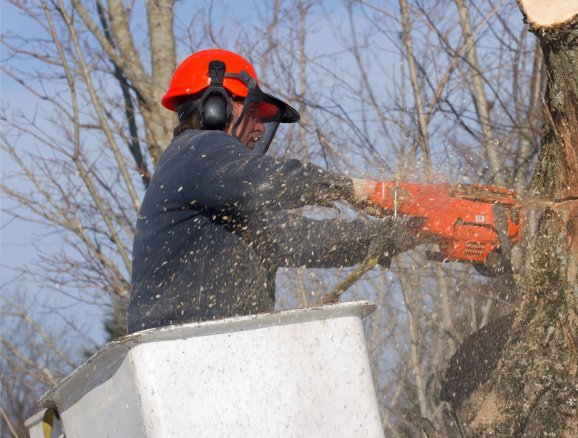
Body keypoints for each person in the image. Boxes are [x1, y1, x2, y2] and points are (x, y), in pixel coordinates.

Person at [127, 49, 416, 333]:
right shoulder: (198, 149)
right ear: (216, 107)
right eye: (253, 114)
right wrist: (354, 190)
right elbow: (267, 180)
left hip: (215, 345)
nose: (260, 129)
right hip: (186, 345)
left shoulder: (219, 191)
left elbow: (301, 238)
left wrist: (401, 232)